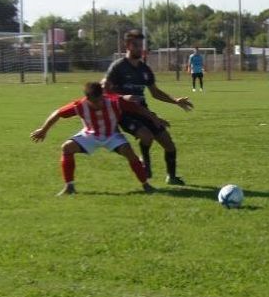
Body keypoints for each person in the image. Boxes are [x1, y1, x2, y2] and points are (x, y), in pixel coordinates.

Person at [30, 81, 160, 196]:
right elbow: (58, 113)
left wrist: (155, 119)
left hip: (111, 135)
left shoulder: (115, 102)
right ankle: (69, 187)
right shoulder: (79, 105)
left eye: (100, 100)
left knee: (129, 152)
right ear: (87, 98)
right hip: (90, 135)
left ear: (103, 95)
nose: (98, 104)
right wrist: (43, 130)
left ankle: (146, 185)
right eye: (94, 102)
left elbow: (139, 109)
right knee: (66, 148)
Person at [105, 29, 193, 185]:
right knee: (146, 136)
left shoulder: (144, 69)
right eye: (136, 45)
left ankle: (171, 177)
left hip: (143, 112)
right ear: (127, 45)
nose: (139, 48)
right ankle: (146, 164)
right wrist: (122, 98)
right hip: (124, 113)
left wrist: (176, 100)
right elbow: (105, 90)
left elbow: (155, 92)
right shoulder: (118, 67)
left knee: (169, 144)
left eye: (141, 45)